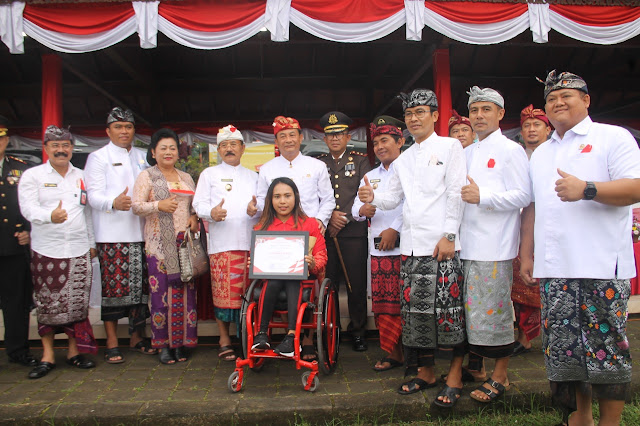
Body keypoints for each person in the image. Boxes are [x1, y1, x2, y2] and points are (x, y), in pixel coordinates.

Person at [520, 70, 640, 426]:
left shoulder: (611, 137)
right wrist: (527, 253)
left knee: (607, 351)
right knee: (565, 353)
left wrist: (587, 189)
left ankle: (610, 423)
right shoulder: (541, 153)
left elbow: (635, 188)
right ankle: (580, 418)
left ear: (586, 100)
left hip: (600, 266)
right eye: (551, 99)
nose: (558, 103)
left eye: (566, 96)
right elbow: (534, 207)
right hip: (555, 269)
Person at [358, 89, 466, 407]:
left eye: (421, 112)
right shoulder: (404, 159)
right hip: (412, 249)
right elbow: (392, 198)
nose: (414, 118)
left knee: (449, 315)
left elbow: (456, 194)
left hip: (442, 245)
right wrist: (372, 198)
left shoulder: (451, 146)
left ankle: (456, 376)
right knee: (418, 316)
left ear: (434, 116)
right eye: (409, 114)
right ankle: (427, 372)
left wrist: (449, 235)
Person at [460, 87, 531, 403]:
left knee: (496, 313)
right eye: (474, 110)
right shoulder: (467, 152)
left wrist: (483, 197)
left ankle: (501, 376)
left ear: (501, 114)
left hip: (494, 248)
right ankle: (478, 370)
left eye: (486, 109)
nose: (479, 116)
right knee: (472, 315)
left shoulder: (511, 150)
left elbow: (523, 195)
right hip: (466, 246)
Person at [18, 125, 97, 379]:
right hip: (46, 250)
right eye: (55, 146)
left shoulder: (83, 176)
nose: (61, 150)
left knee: (77, 305)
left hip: (78, 248)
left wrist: (92, 242)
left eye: (65, 145)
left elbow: (88, 213)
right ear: (46, 148)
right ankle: (48, 355)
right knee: (47, 305)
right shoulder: (32, 175)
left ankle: (74, 353)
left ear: (72, 148)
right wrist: (50, 216)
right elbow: (27, 209)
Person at [84, 107, 155, 364]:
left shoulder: (143, 156)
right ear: (108, 131)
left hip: (142, 233)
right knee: (112, 291)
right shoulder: (97, 158)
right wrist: (113, 202)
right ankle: (112, 342)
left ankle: (137, 337)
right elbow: (92, 196)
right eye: (118, 127)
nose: (124, 131)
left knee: (140, 291)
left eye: (128, 127)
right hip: (112, 234)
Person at [132, 128, 199, 364]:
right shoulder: (147, 177)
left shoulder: (186, 177)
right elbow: (136, 206)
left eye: (172, 148)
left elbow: (193, 207)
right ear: (153, 152)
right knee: (160, 298)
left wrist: (194, 217)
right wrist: (158, 205)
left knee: (185, 297)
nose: (168, 152)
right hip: (159, 248)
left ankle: (181, 343)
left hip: (184, 248)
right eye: (163, 148)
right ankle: (163, 345)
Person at [193, 125, 258, 362]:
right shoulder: (208, 174)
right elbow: (198, 205)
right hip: (222, 244)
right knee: (223, 296)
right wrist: (211, 212)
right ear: (218, 150)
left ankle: (248, 339)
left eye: (233, 145)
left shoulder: (254, 177)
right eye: (224, 145)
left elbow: (260, 208)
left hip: (250, 244)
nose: (229, 149)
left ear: (242, 148)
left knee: (248, 295)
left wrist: (255, 209)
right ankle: (224, 339)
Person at [251, 177, 327, 357]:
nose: (282, 201)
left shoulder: (309, 224)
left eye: (287, 196)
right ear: (270, 200)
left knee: (293, 278)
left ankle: (292, 336)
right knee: (276, 279)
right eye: (277, 196)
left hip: (302, 278)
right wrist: (253, 262)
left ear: (296, 197)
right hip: (273, 279)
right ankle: (262, 334)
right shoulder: (262, 226)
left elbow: (321, 255)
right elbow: (257, 259)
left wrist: (314, 262)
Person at [352, 115, 404, 370]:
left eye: (385, 140)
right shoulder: (370, 175)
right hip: (377, 250)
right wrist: (363, 210)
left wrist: (395, 228)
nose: (380, 147)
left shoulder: (410, 169)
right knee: (384, 305)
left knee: (408, 302)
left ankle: (415, 356)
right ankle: (393, 353)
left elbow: (416, 205)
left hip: (407, 247)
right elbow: (354, 208)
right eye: (376, 143)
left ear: (400, 141)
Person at [318, 111, 371, 352]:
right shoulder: (318, 162)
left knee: (355, 284)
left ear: (348, 136)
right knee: (328, 284)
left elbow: (365, 194)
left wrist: (346, 217)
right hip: (326, 234)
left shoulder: (361, 161)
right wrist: (329, 218)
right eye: (331, 135)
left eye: (340, 134)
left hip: (353, 233)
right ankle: (333, 330)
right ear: (325, 139)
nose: (335, 139)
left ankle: (358, 330)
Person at [511, 104, 551, 357]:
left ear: (548, 129)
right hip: (519, 227)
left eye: (537, 125)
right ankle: (523, 336)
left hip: (548, 229)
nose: (532, 129)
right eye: (527, 125)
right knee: (520, 287)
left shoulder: (553, 155)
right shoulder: (517, 156)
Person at [0, 116, 37, 368]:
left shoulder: (21, 169)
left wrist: (28, 230)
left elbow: (31, 205)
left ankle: (17, 350)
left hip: (12, 245)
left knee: (16, 302)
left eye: (1, 138)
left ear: (7, 139)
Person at [256, 116, 335, 234]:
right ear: (276, 142)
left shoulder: (317, 166)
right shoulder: (266, 169)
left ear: (301, 138)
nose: (288, 140)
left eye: (292, 135)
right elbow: (262, 200)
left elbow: (328, 199)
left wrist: (320, 220)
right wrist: (255, 208)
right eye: (283, 136)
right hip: (277, 231)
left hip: (310, 229)